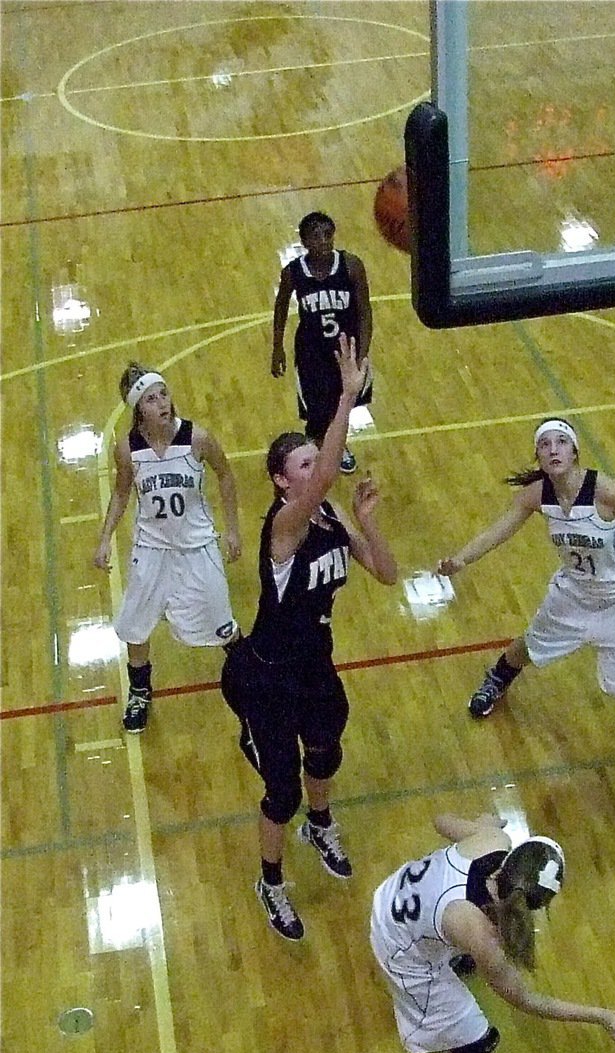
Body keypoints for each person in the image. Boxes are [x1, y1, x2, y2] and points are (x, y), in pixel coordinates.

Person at [439, 418, 615, 800]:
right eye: (544, 445)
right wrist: (460, 560)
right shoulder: (537, 495)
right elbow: (496, 532)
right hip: (574, 592)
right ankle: (498, 679)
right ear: (538, 456)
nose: (553, 450)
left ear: (575, 451)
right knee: (531, 643)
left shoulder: (611, 493)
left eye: (561, 442)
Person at [221, 334, 397, 941]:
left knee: (327, 752)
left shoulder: (331, 517)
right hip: (266, 674)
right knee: (281, 792)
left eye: (310, 460)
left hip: (315, 666)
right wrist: (346, 396)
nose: (313, 468)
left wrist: (368, 524)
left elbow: (386, 573)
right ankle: (270, 881)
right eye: (302, 464)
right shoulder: (284, 525)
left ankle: (322, 823)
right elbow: (327, 474)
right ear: (281, 481)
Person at [371, 810, 615, 1053]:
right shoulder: (481, 937)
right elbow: (526, 999)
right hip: (400, 948)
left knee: (467, 942)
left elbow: (439, 820)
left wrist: (484, 824)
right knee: (479, 1048)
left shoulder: (494, 841)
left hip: (392, 894)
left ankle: (452, 956)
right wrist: (599, 1015)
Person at [94, 364, 241, 734]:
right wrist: (104, 538)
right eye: (151, 398)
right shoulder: (127, 450)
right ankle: (140, 692)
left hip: (197, 545)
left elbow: (225, 474)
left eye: (164, 394)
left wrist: (233, 529)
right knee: (135, 625)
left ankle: (251, 676)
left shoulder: (197, 438)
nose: (162, 403)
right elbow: (122, 493)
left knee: (223, 622)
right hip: (153, 548)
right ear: (137, 408)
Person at [271, 211, 373, 475]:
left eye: (328, 235)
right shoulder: (293, 273)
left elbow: (364, 312)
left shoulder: (351, 265)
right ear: (304, 242)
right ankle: (318, 450)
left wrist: (361, 355)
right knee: (316, 411)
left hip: (344, 349)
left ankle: (337, 445)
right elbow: (281, 306)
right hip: (311, 352)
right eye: (316, 237)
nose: (324, 241)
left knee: (343, 402)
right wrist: (277, 347)